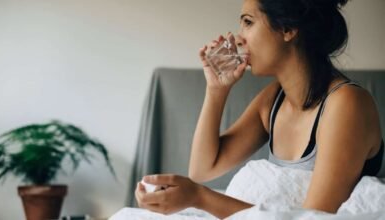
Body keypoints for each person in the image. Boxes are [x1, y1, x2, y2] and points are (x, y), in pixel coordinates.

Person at [135, 0, 384, 218]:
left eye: (248, 22)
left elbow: (313, 218)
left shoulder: (347, 104)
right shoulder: (274, 99)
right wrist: (216, 90)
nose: (239, 37)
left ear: (288, 29)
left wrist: (200, 198)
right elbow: (202, 169)